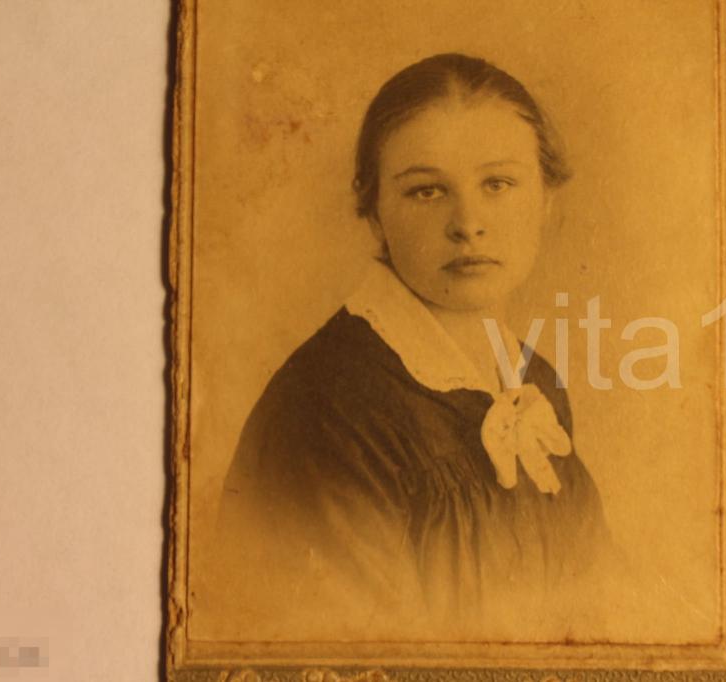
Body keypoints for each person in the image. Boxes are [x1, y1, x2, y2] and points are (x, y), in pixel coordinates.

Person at [217, 53, 612, 641]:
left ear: (546, 200)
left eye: (498, 184)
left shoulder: (534, 384)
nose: (468, 223)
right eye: (427, 192)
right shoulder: (326, 413)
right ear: (375, 213)